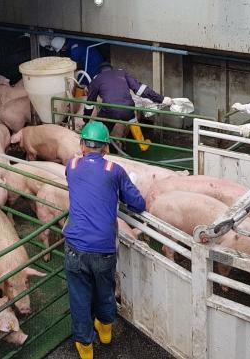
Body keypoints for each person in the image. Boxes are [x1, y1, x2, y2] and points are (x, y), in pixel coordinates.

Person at [63, 121, 146, 359]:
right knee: (105, 288)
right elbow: (138, 204)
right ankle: (106, 329)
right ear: (106, 148)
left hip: (75, 247)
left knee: (79, 296)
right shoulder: (115, 170)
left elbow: (75, 182)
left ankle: (85, 347)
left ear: (81, 145)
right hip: (104, 248)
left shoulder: (73, 164)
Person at [84, 62, 172, 145]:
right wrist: (161, 99)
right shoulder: (121, 73)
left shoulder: (97, 79)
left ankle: (103, 148)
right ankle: (142, 144)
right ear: (112, 69)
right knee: (132, 119)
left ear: (100, 71)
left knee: (100, 128)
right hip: (127, 108)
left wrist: (86, 120)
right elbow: (140, 89)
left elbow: (89, 103)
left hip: (110, 110)